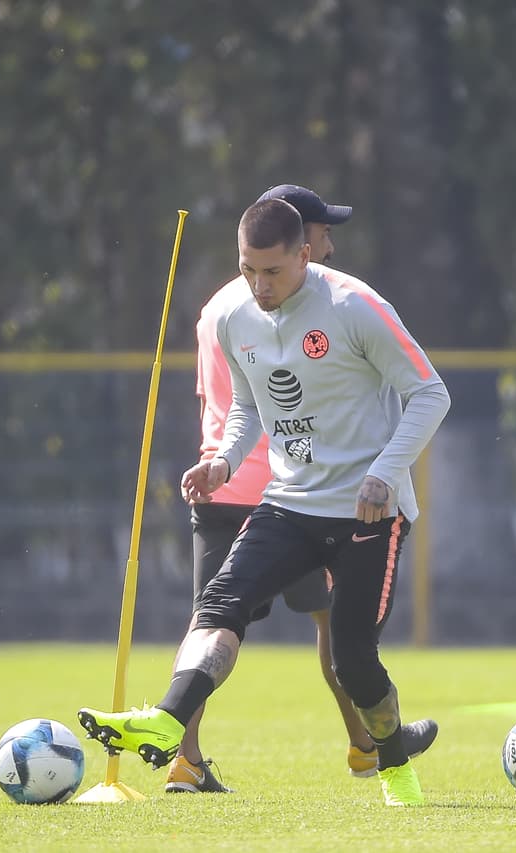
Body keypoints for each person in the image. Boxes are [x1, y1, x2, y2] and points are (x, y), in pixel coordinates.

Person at [80, 197, 451, 807]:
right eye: (247, 269)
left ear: (304, 253)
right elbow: (250, 406)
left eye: (272, 271)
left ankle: (393, 763)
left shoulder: (355, 307)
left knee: (354, 660)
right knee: (218, 606)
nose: (259, 286)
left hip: (368, 512)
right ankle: (167, 720)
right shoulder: (234, 316)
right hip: (287, 503)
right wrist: (224, 462)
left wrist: (385, 473)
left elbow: (431, 393)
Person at [167, 184, 381, 794]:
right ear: (299, 243)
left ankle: (186, 758)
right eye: (324, 232)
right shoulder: (312, 305)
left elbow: (216, 401)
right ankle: (366, 744)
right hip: (297, 492)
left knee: (210, 621)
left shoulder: (216, 306)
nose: (330, 246)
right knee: (334, 628)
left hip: (225, 486)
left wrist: (218, 463)